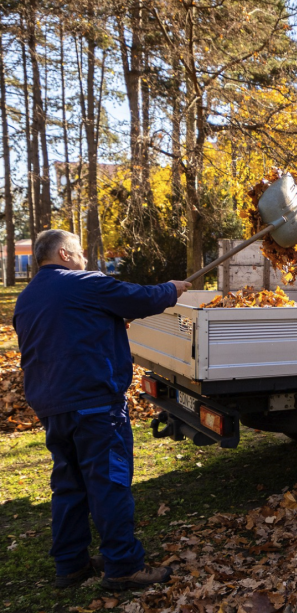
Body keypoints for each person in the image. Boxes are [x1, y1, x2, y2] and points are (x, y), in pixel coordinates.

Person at [13, 230, 191, 590]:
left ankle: (71, 564)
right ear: (63, 253)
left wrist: (106, 322)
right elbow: (139, 298)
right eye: (79, 253)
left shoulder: (27, 298)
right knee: (109, 483)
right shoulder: (83, 283)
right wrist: (172, 288)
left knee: (69, 485)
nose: (84, 260)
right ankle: (123, 566)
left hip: (52, 406)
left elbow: (64, 333)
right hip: (93, 405)